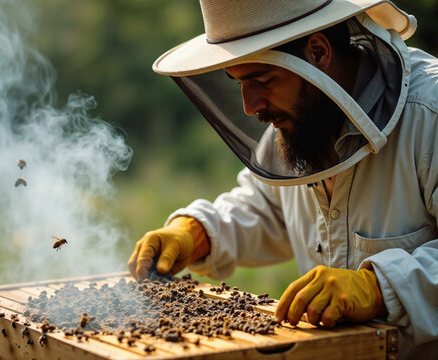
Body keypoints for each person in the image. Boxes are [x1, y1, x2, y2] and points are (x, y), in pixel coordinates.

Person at [127, 0, 437, 358]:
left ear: (318, 52)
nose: (249, 105)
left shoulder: (430, 113)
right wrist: (198, 231)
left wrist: (379, 287)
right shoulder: (302, 119)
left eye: (263, 80)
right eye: (239, 82)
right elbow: (265, 205)